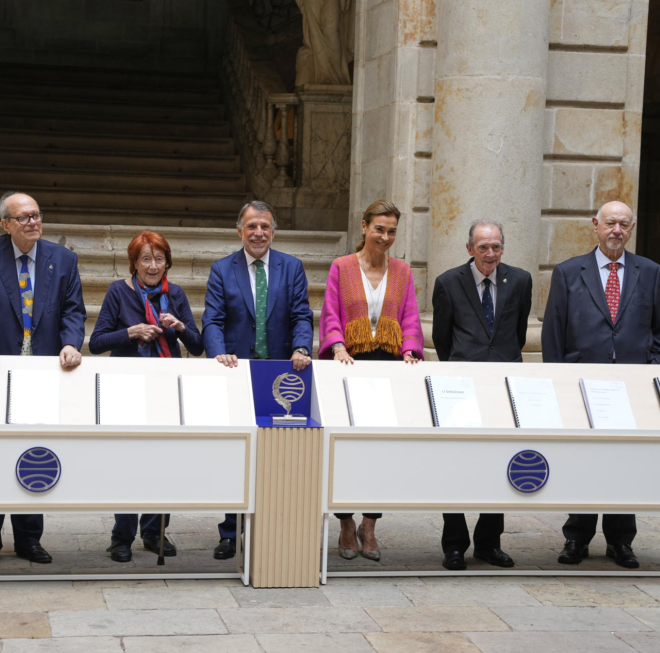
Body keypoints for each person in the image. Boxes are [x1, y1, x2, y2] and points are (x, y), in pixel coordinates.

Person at [0, 191, 87, 568]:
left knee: (34, 451)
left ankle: (29, 539)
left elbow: (74, 311)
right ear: (6, 224)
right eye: (23, 217)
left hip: (42, 371)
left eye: (36, 215)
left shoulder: (62, 260)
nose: (32, 222)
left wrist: (71, 344)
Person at [542, 200, 660, 569]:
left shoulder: (650, 271)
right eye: (611, 223)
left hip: (631, 388)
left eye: (624, 224)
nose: (617, 230)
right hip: (581, 385)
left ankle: (620, 541)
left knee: (624, 462)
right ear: (595, 225)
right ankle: (576, 539)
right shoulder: (568, 272)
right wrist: (558, 380)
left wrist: (651, 373)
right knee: (584, 461)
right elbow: (553, 331)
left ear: (632, 230)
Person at [201, 200, 314, 559]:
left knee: (279, 455)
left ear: (273, 231)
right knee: (237, 454)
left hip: (281, 374)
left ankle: (273, 527)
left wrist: (301, 347)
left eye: (265, 226)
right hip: (237, 372)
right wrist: (218, 354)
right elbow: (212, 320)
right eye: (251, 226)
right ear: (240, 231)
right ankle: (230, 532)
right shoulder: (222, 269)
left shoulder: (291, 267)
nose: (258, 233)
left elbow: (301, 315)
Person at [319, 199, 424, 561]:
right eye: (379, 228)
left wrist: (410, 350)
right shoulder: (341, 267)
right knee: (346, 450)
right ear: (364, 227)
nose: (385, 236)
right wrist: (337, 347)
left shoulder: (404, 272)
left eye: (392, 230)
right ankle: (346, 522)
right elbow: (330, 312)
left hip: (388, 369)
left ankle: (370, 524)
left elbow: (410, 316)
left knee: (382, 451)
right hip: (349, 365)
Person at [89, 230, 204, 562]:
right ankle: (121, 537)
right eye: (145, 259)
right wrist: (131, 332)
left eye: (159, 259)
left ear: (167, 262)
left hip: (167, 387)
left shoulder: (177, 294)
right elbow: (97, 342)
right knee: (127, 463)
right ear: (134, 263)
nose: (153, 266)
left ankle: (155, 532)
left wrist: (180, 327)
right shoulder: (118, 292)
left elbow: (197, 348)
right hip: (127, 388)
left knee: (164, 461)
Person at [431, 220, 533, 570]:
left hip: (504, 386)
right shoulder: (447, 282)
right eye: (483, 247)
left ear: (503, 248)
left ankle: (489, 542)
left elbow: (518, 333)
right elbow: (443, 339)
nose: (490, 254)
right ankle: (455, 545)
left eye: (496, 247)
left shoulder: (519, 280)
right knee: (455, 464)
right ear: (469, 248)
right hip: (460, 387)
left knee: (500, 463)